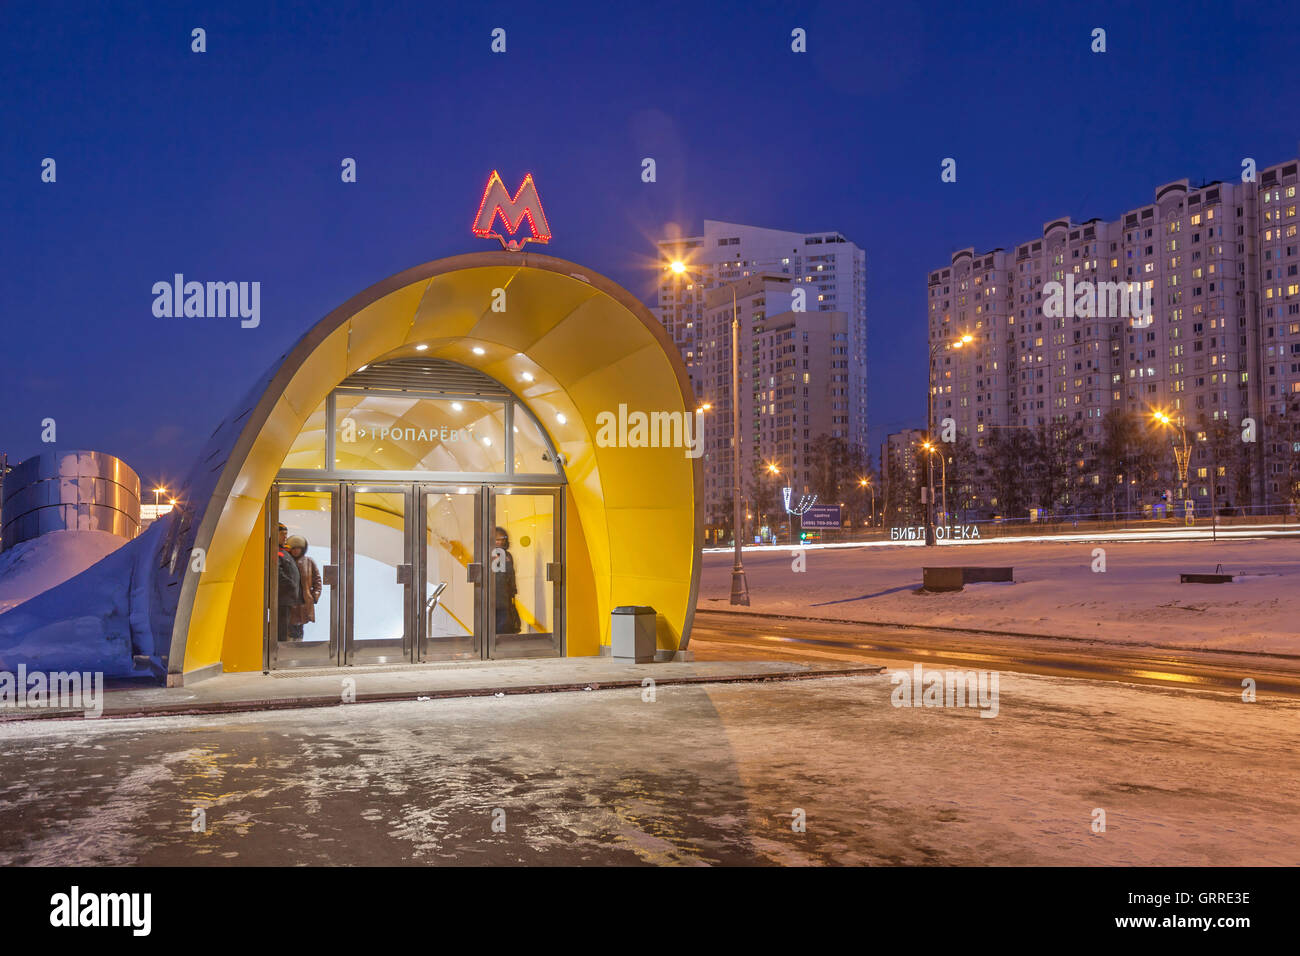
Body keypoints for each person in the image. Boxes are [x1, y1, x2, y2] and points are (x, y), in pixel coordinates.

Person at [287, 535, 322, 640]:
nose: (296, 551)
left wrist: (315, 596)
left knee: (300, 627)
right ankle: (289, 647)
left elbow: (317, 581)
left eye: (298, 548)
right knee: (289, 626)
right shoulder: (286, 561)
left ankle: (298, 645)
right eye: (293, 548)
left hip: (303, 601)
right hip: (289, 601)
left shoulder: (309, 562)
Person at [492, 526, 521, 634]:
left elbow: (511, 575)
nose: (500, 542)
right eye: (497, 539)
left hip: (505, 599)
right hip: (491, 599)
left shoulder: (508, 556)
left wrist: (513, 593)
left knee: (504, 629)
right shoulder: (486, 555)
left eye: (502, 539)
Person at [276, 523, 301, 642]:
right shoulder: (274, 551)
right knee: (281, 627)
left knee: (285, 627)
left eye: (286, 534)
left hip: (288, 597)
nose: (285, 537)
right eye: (282, 534)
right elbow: (277, 573)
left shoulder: (283, 551)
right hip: (282, 597)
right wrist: (291, 585)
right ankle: (278, 651)